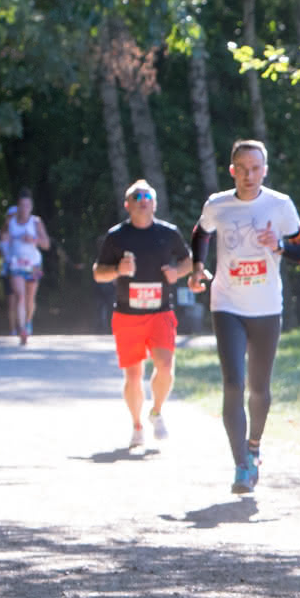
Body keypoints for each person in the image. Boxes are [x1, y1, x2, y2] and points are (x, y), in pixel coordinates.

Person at [189, 140, 300, 494]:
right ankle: (241, 465)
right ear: (232, 171)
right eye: (242, 168)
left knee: (259, 389)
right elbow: (201, 232)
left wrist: (279, 246)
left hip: (266, 307)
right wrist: (198, 267)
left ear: (265, 170)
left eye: (255, 168)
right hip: (226, 303)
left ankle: (254, 444)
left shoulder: (280, 205)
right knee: (233, 384)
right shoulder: (218, 204)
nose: (249, 175)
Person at [91, 181, 192, 449]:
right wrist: (118, 271)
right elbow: (98, 273)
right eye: (137, 197)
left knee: (165, 366)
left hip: (160, 312)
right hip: (127, 314)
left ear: (155, 204)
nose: (143, 200)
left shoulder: (168, 233)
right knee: (133, 375)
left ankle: (156, 411)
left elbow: (188, 260)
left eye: (148, 196)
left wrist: (177, 272)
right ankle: (137, 425)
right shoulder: (116, 236)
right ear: (128, 205)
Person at [0, 190, 52, 344]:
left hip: (33, 264)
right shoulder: (10, 222)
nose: (24, 208)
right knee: (20, 296)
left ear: (31, 207)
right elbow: (1, 238)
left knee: (29, 298)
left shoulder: (36, 222)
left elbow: (46, 244)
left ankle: (27, 322)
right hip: (16, 263)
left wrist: (34, 239)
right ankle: (22, 330)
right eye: (21, 205)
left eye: (27, 205)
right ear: (18, 207)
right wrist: (4, 240)